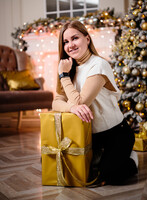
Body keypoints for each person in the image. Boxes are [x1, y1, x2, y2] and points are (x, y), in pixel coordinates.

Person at [52, 20, 138, 187]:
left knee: (111, 177)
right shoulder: (69, 68)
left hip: (116, 132)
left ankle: (132, 159)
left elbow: (81, 101)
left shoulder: (98, 65)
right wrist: (71, 107)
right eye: (65, 42)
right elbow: (56, 101)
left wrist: (64, 77)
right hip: (88, 134)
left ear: (87, 39)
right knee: (57, 162)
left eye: (75, 38)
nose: (70, 45)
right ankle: (101, 159)